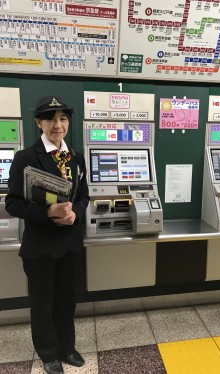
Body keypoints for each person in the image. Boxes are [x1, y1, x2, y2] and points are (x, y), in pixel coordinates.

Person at [5, 96, 90, 374]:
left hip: (69, 244)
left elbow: (83, 196)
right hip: (40, 245)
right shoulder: (25, 158)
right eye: (51, 119)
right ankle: (49, 352)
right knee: (42, 301)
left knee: (67, 300)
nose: (57, 125)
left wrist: (75, 213)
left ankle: (67, 347)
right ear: (38, 122)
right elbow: (13, 203)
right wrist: (48, 212)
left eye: (63, 118)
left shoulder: (76, 157)